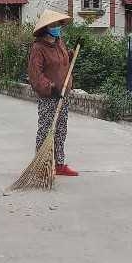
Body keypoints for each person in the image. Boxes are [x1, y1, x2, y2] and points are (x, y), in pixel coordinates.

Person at [28, 9, 78, 177]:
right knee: (46, 130)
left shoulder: (59, 43)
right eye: (54, 25)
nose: (58, 28)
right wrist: (50, 87)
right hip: (49, 96)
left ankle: (59, 163)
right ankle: (41, 165)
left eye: (59, 25)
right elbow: (35, 74)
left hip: (64, 94)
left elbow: (63, 62)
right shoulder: (38, 48)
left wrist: (72, 53)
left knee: (61, 129)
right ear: (46, 28)